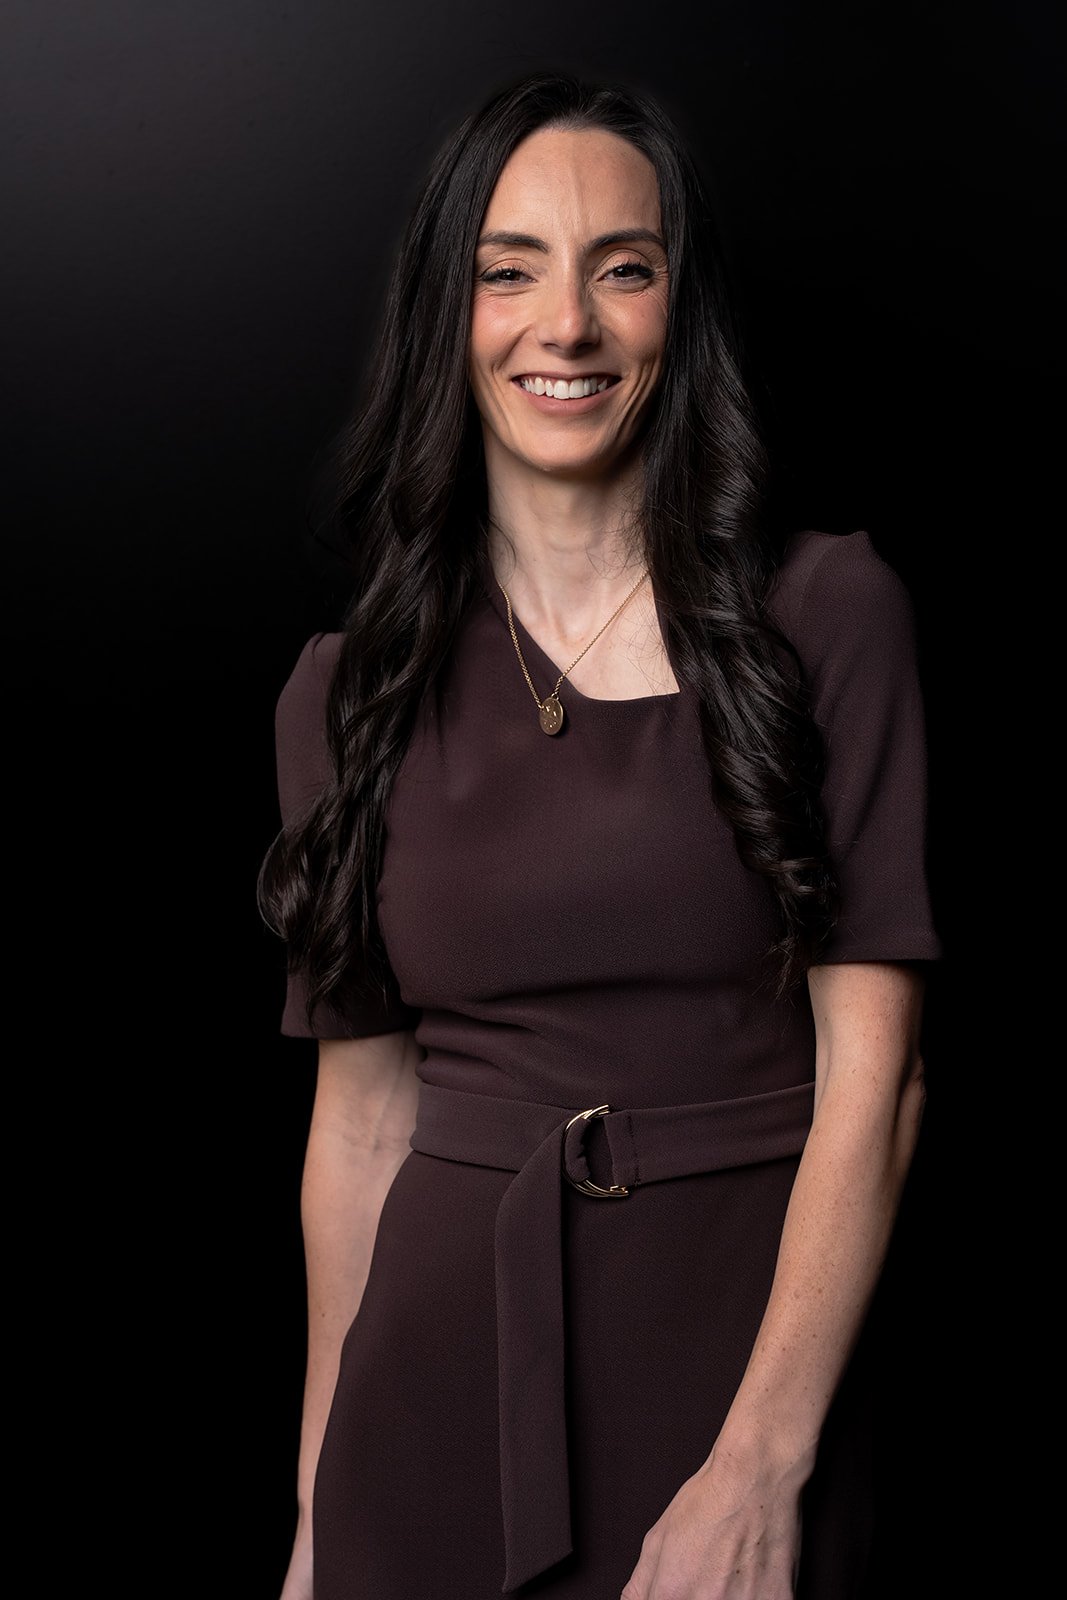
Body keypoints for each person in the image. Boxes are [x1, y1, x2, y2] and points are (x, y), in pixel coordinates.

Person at [258, 69, 941, 1600]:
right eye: (509, 272)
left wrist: (762, 1465)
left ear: (673, 315)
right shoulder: (345, 694)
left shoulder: (827, 619)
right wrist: (314, 1518)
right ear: (451, 312)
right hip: (426, 1408)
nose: (564, 325)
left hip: (737, 1391)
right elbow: (361, 1131)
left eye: (620, 269)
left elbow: (878, 1088)